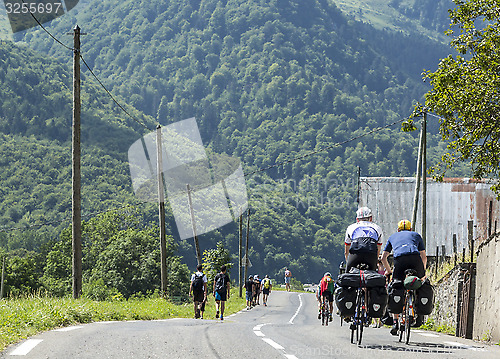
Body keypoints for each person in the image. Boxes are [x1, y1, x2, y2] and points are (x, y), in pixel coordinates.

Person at [381, 219, 427, 335]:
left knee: (396, 286)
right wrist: (422, 272)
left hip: (400, 260)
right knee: (420, 283)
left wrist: (389, 271)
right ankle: (419, 314)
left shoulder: (393, 236)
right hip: (415, 259)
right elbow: (424, 257)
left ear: (398, 230)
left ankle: (395, 321)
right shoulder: (416, 235)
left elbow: (383, 258)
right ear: (411, 229)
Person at [344, 206, 383, 272]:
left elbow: (346, 251)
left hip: (355, 253)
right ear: (371, 218)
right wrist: (374, 262)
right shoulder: (377, 228)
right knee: (374, 275)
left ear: (357, 219)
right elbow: (378, 248)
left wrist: (348, 263)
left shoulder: (350, 227)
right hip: (371, 253)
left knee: (347, 275)